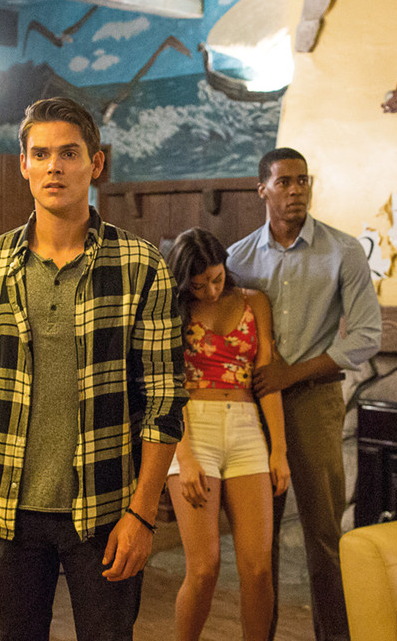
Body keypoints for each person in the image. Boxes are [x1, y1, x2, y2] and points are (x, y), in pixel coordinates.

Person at [0, 97, 188, 641]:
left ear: (95, 164)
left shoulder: (141, 265)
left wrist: (143, 514)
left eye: (69, 153)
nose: (54, 166)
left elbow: (164, 401)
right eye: (41, 154)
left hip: (107, 508)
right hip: (7, 509)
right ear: (23, 164)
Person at [226, 147, 383, 641]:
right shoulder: (237, 259)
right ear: (263, 190)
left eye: (303, 181)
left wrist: (290, 375)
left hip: (316, 401)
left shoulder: (344, 250)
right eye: (284, 182)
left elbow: (366, 336)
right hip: (253, 407)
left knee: (324, 536)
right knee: (259, 541)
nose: (296, 191)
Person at [164, 227, 291, 641]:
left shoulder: (255, 302)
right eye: (199, 285)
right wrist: (184, 456)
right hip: (192, 428)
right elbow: (167, 385)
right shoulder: (172, 310)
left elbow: (266, 377)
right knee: (204, 568)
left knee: (258, 568)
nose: (211, 291)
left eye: (217, 279)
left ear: (226, 267)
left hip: (246, 426)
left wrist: (278, 451)